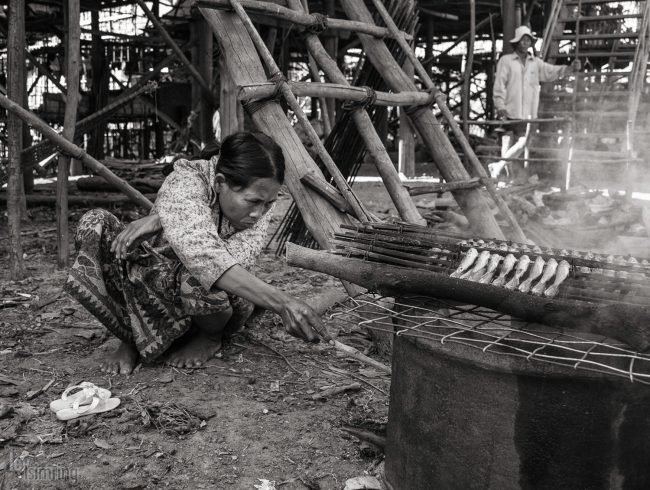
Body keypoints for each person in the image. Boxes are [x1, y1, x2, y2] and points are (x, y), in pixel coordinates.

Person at [65, 132, 327, 375]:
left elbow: (212, 260)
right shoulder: (188, 179)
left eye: (269, 203)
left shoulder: (258, 210)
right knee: (94, 222)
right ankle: (129, 336)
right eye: (253, 202)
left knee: (199, 273)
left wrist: (164, 220)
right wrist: (283, 303)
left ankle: (210, 338)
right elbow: (197, 249)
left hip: (217, 305)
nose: (260, 213)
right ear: (221, 182)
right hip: (151, 285)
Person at [490, 25, 581, 178]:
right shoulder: (506, 61)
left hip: (527, 113)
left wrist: (570, 68)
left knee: (523, 142)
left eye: (528, 40)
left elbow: (552, 72)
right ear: (516, 42)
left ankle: (497, 167)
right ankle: (508, 179)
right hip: (508, 110)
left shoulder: (536, 63)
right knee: (507, 146)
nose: (525, 43)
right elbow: (499, 84)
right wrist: (500, 106)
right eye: (522, 40)